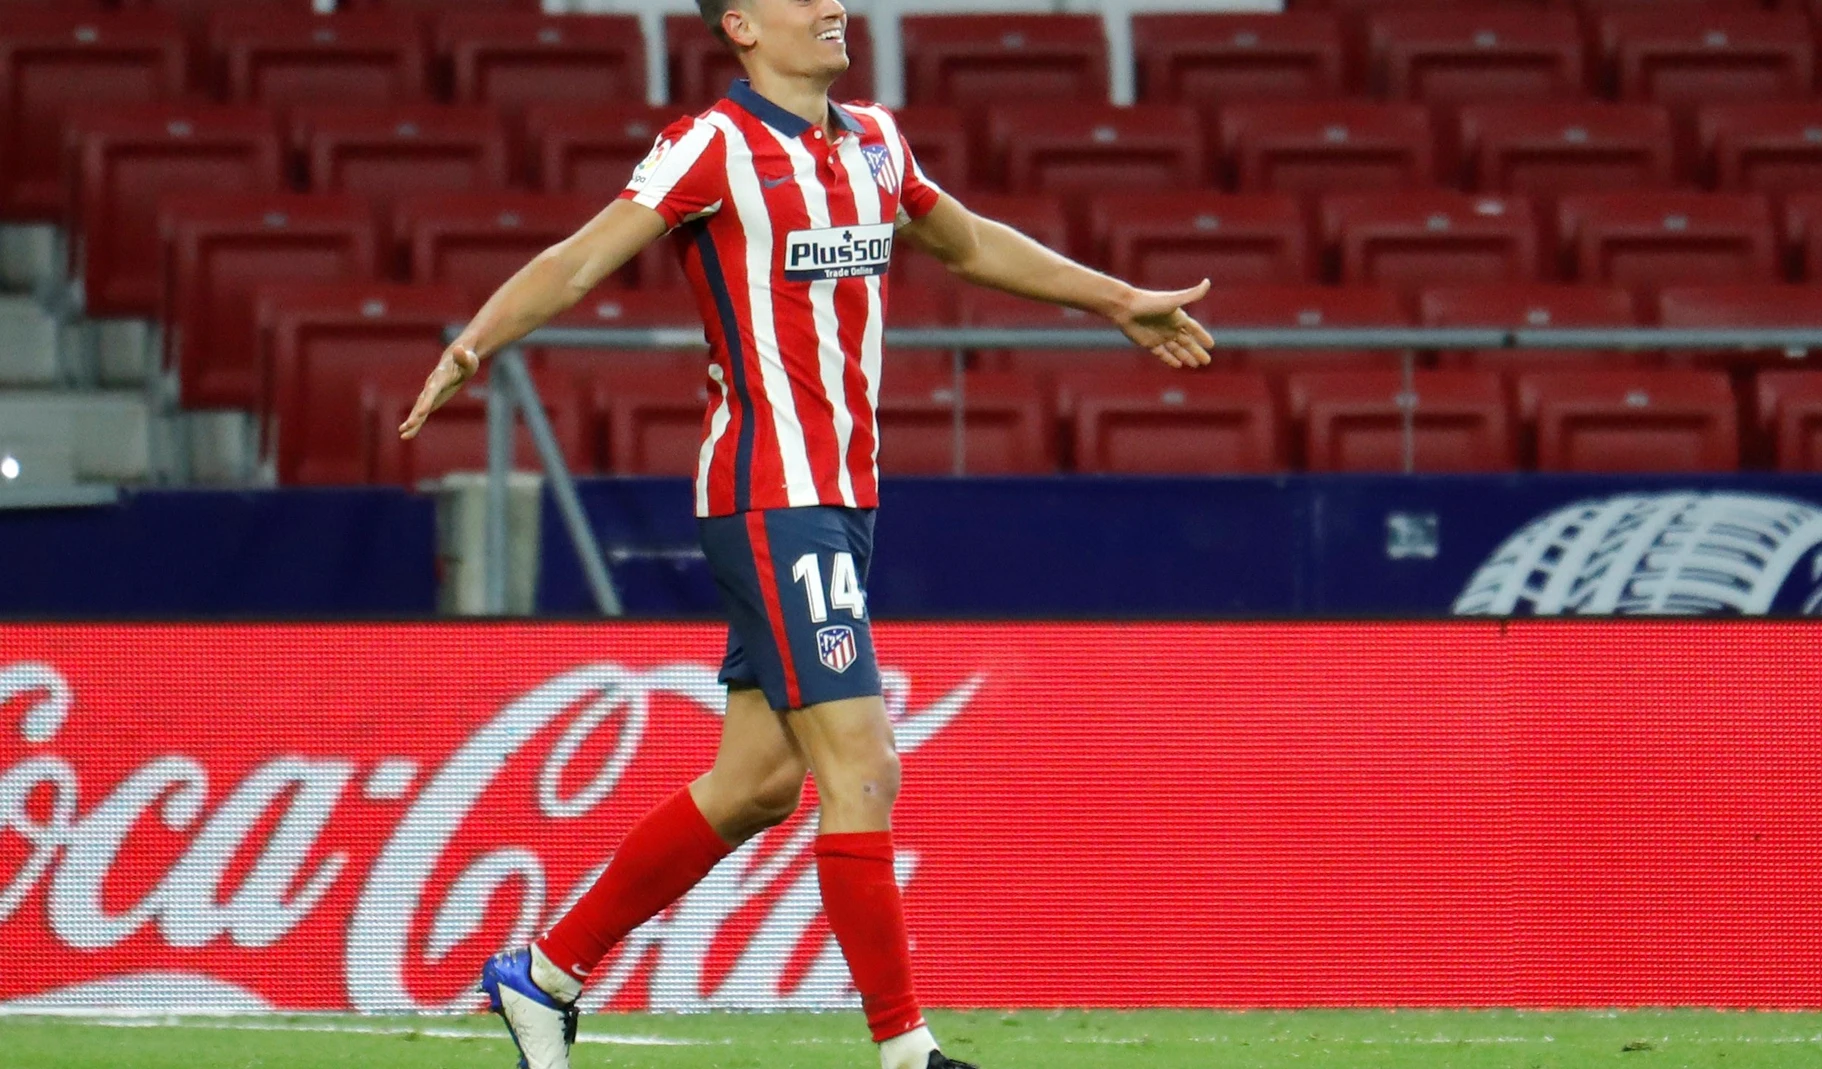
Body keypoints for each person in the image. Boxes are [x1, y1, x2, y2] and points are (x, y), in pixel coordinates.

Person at [397, 0, 1215, 1066]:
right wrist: (473, 345)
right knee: (863, 763)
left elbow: (965, 242)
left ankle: (543, 974)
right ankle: (905, 1049)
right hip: (768, 492)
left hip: (844, 497)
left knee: (757, 782)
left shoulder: (876, 141)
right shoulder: (712, 146)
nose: (831, 6)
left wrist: (1115, 300)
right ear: (739, 25)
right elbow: (579, 259)